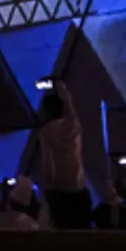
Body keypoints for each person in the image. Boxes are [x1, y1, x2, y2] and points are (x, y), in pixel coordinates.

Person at [32, 87, 89, 229]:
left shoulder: (46, 132)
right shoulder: (73, 126)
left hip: (60, 190)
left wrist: (48, 188)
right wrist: (65, 93)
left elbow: (48, 163)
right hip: (79, 188)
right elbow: (72, 112)